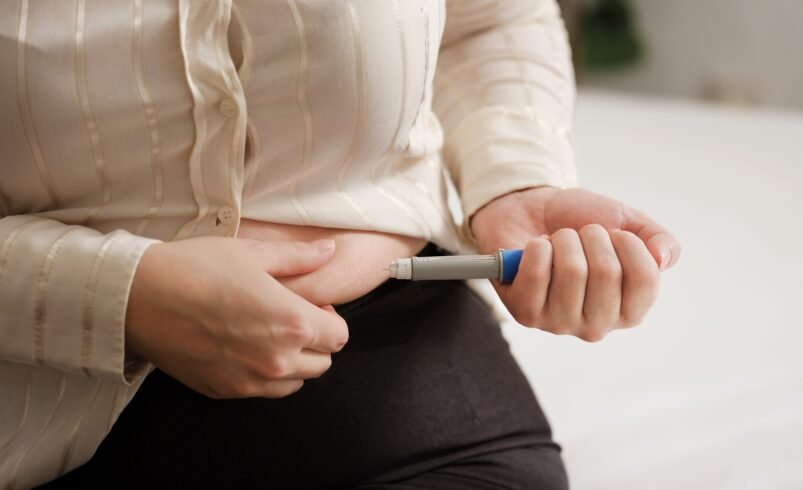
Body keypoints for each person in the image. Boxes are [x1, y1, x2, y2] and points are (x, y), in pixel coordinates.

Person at [0, 0, 680, 488]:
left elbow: (485, 20)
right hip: (41, 407)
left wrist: (514, 180)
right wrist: (116, 296)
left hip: (397, 375)